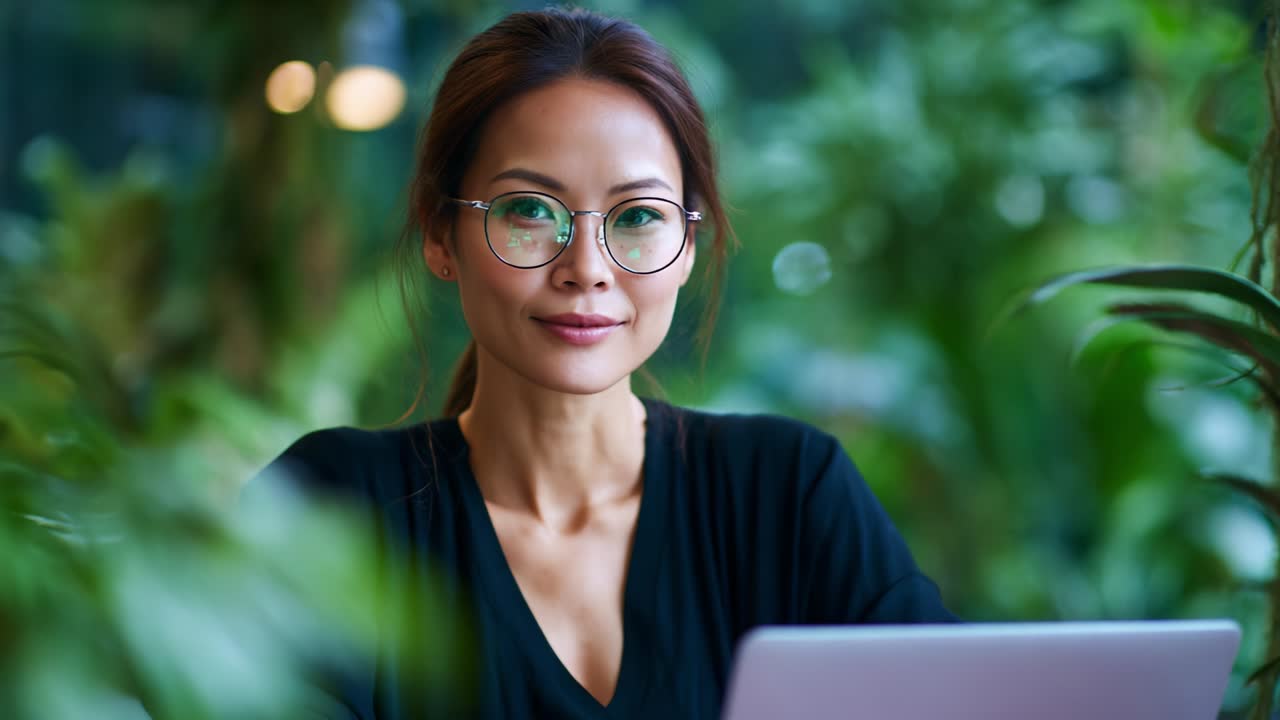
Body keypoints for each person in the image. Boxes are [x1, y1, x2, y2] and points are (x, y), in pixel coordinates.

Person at [253, 7, 955, 719]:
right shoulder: (331, 506)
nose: (586, 269)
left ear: (686, 247)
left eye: (639, 216)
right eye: (529, 210)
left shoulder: (788, 495)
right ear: (441, 235)